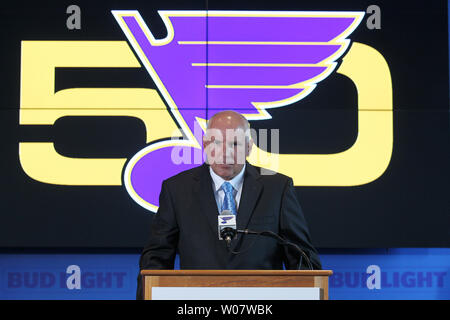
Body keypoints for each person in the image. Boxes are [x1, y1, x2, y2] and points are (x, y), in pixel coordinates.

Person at [136, 110, 321, 299]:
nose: (226, 152)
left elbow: (302, 257)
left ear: (248, 147)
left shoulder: (277, 189)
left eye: (235, 144)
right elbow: (156, 259)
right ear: (206, 145)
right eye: (217, 143)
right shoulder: (176, 190)